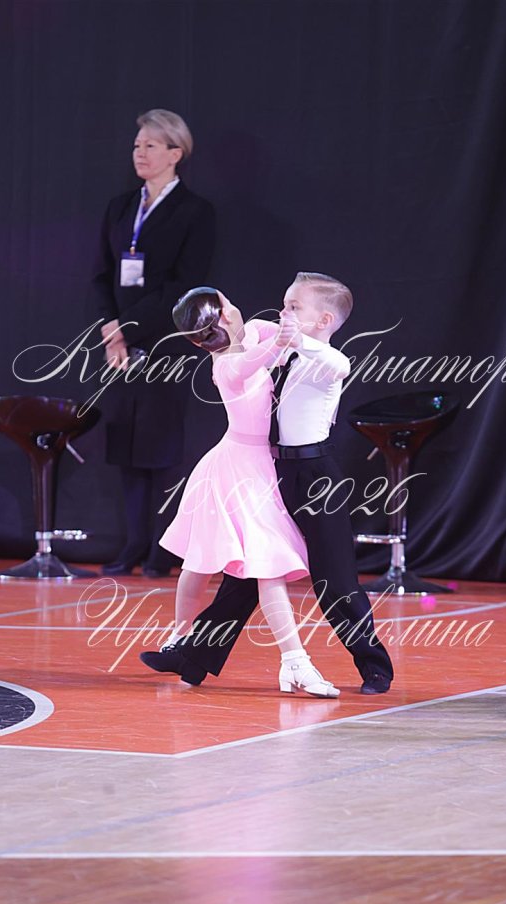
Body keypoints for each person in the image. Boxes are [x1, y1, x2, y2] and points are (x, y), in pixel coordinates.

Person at [141, 273, 394, 694]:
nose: (283, 312)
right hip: (272, 471)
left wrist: (297, 340)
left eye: (295, 307)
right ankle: (192, 654)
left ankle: (374, 666)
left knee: (335, 578)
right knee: (247, 576)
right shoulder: (271, 338)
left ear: (323, 320)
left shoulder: (322, 360)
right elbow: (244, 339)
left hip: (315, 476)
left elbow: (341, 365)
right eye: (285, 304)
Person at [88, 108, 215, 577]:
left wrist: (128, 328)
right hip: (118, 345)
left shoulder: (195, 211)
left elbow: (183, 284)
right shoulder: (121, 207)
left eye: (151, 146)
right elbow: (102, 275)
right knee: (125, 443)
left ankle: (165, 548)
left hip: (166, 342)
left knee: (161, 448)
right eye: (137, 145)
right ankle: (133, 543)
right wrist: (110, 329)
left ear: (175, 153)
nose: (140, 153)